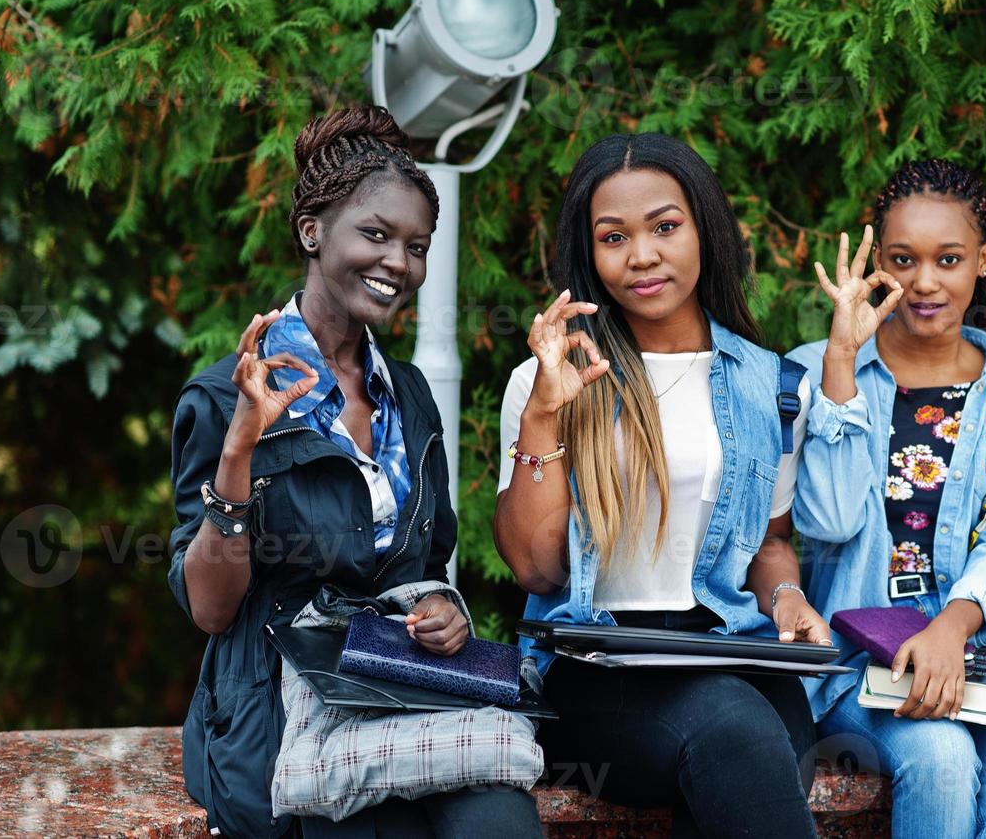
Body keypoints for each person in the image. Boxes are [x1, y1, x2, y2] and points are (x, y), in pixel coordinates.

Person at [167, 106, 543, 839]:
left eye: (416, 246)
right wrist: (240, 448)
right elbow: (210, 610)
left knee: (502, 822)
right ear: (313, 231)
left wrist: (447, 612)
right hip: (282, 719)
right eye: (375, 234)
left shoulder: (407, 393)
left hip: (400, 691)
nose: (397, 263)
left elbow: (426, 564)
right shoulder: (225, 397)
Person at [493, 133, 830, 838]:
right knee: (734, 733)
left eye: (664, 227)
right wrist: (544, 416)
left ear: (702, 230)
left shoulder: (767, 383)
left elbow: (768, 541)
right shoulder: (547, 380)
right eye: (613, 237)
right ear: (588, 254)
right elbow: (534, 565)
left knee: (743, 745)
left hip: (732, 649)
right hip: (597, 667)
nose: (641, 255)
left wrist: (788, 595)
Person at [789, 159, 986, 839]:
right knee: (941, 762)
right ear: (876, 263)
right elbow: (826, 522)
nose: (923, 282)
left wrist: (950, 627)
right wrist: (838, 367)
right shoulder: (812, 372)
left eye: (947, 259)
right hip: (861, 660)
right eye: (900, 260)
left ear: (982, 260)